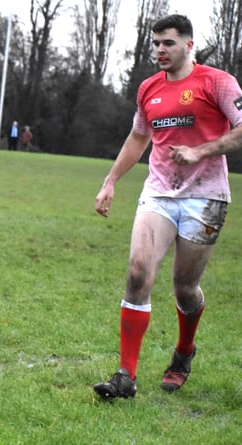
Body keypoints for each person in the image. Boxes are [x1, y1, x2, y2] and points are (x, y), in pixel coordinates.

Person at [92, 14, 242, 402]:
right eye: (156, 43)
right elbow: (139, 137)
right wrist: (110, 180)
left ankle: (184, 352)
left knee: (185, 287)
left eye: (168, 43)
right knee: (139, 272)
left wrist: (201, 151)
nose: (160, 49)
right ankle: (126, 376)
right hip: (158, 193)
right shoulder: (149, 88)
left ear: (188, 45)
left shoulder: (217, 83)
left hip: (206, 197)